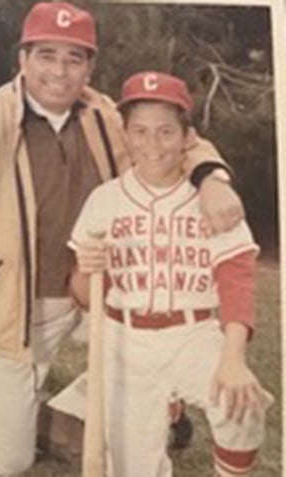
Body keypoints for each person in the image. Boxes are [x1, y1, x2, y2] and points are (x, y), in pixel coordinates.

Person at [0, 2, 245, 475]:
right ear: (23, 58)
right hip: (12, 310)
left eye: (74, 58)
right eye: (47, 55)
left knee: (150, 338)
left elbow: (175, 137)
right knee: (8, 459)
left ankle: (110, 407)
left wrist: (211, 176)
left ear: (89, 66)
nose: (60, 71)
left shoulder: (105, 115)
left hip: (88, 295)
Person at [69, 71, 269, 477]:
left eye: (165, 132)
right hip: (124, 339)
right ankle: (166, 406)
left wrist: (233, 359)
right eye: (139, 131)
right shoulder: (104, 201)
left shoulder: (213, 200)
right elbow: (83, 294)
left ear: (186, 137)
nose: (152, 144)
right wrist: (88, 272)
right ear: (125, 133)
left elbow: (237, 279)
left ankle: (183, 417)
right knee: (130, 468)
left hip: (193, 333)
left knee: (241, 407)